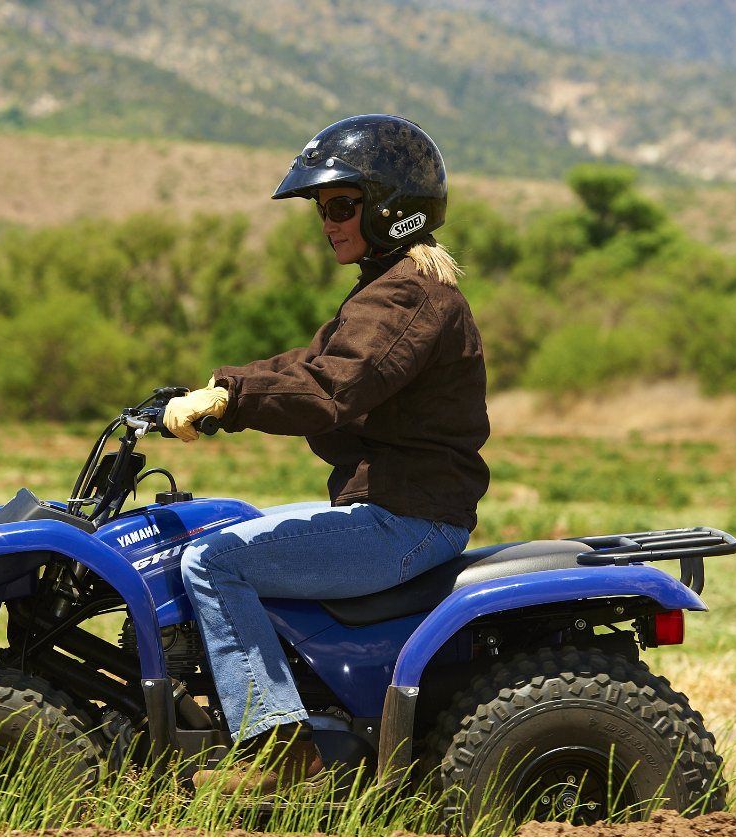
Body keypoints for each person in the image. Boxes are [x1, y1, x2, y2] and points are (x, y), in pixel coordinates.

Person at [163, 114, 491, 793]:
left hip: (406, 518)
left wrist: (232, 399)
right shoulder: (386, 288)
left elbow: (330, 387)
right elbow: (311, 361)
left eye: (341, 205)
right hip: (400, 510)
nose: (327, 221)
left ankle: (278, 750)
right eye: (322, 209)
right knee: (217, 528)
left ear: (390, 209)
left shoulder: (408, 293)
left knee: (213, 559)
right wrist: (222, 389)